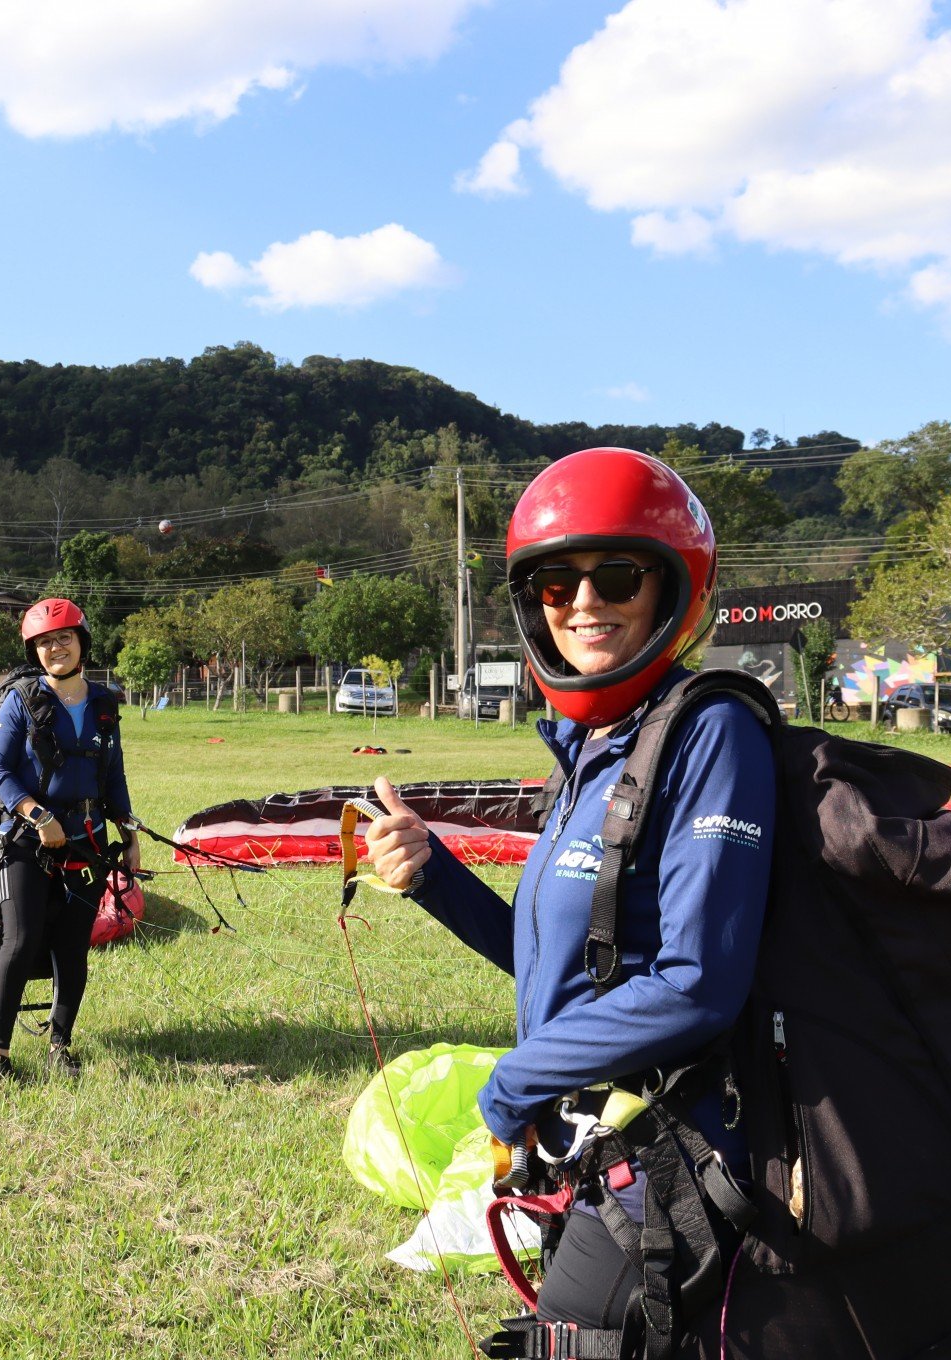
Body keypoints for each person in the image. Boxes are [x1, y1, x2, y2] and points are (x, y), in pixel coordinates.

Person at [366, 448, 776, 1349]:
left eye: (616, 576)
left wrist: (517, 1079)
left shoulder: (711, 732)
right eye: (556, 585)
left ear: (671, 591)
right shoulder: (595, 748)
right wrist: (434, 874)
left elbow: (697, 981)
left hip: (671, 1149)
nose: (584, 603)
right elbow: (563, 960)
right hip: (592, 1142)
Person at [0, 598, 140, 1083]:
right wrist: (38, 814)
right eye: (45, 642)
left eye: (64, 638)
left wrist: (128, 832)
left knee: (73, 946)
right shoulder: (21, 701)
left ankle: (59, 1044)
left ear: (82, 642)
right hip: (28, 840)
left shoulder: (104, 704)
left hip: (88, 840)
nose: (56, 648)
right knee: (22, 939)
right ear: (35, 651)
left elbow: (112, 775)